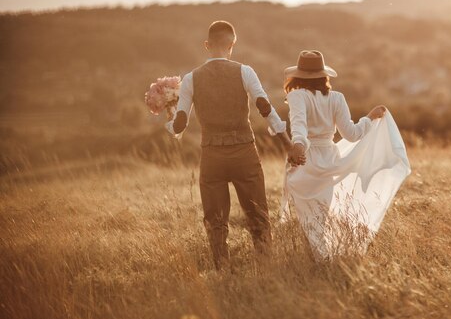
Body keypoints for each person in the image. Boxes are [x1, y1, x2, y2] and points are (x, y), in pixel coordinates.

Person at [165, 20, 297, 269]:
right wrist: (286, 142)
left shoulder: (192, 78)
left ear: (207, 45)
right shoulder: (244, 71)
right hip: (244, 152)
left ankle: (223, 268)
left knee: (215, 220)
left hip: (212, 155)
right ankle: (265, 266)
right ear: (232, 45)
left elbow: (180, 124)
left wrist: (169, 121)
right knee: (258, 215)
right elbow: (264, 106)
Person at [281, 50, 411, 259]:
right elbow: (352, 134)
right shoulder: (337, 98)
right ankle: (321, 260)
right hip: (330, 158)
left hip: (306, 159)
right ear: (324, 75)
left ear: (298, 75)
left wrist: (298, 146)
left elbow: (299, 127)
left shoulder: (296, 96)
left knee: (308, 219)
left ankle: (317, 261)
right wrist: (369, 118)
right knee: (321, 217)